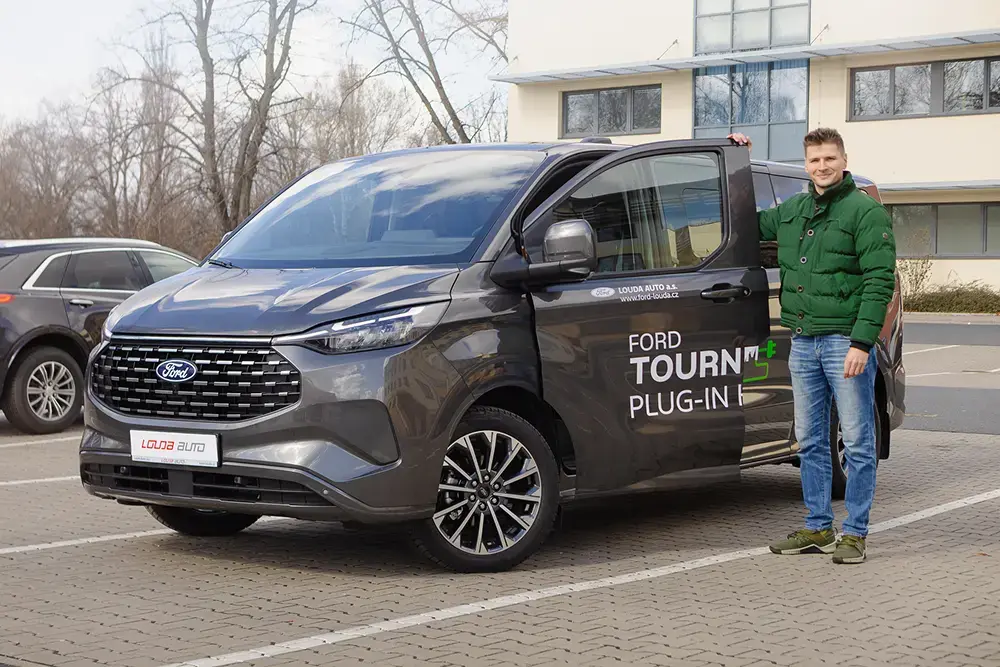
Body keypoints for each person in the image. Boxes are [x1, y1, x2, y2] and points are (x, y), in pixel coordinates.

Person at [728, 127, 896, 564]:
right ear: (806, 165)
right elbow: (740, 219)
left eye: (829, 158)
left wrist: (862, 343)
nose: (822, 166)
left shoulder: (865, 212)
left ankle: (854, 533)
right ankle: (818, 528)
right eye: (814, 160)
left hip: (845, 342)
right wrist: (738, 161)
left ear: (844, 160)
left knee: (857, 440)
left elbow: (879, 281)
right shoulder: (792, 211)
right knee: (809, 440)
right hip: (802, 341)